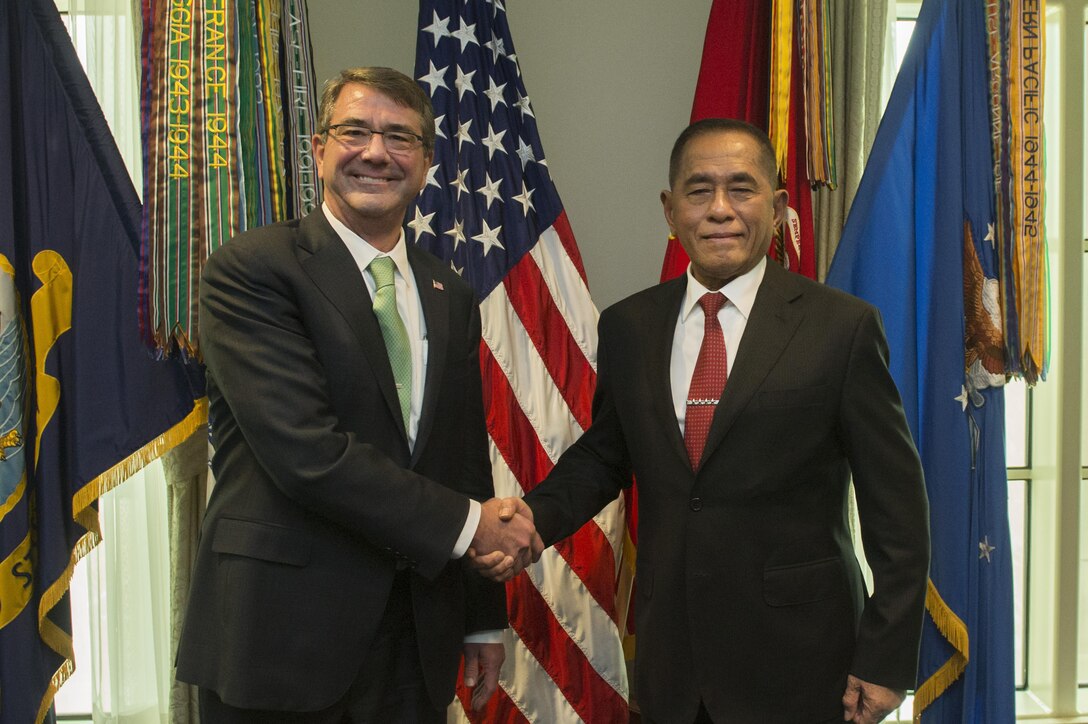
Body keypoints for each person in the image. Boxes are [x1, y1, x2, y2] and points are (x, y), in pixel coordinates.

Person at [477, 118, 930, 724]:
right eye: (699, 190)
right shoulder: (629, 326)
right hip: (673, 659)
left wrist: (886, 656)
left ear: (777, 205)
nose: (720, 209)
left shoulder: (841, 329)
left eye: (742, 189)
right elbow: (608, 455)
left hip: (802, 658)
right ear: (670, 210)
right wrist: (533, 519)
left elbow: (896, 508)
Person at [175, 67, 539, 723]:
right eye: (355, 132)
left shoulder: (448, 294)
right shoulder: (254, 270)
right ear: (319, 151)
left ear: (426, 164)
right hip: (282, 639)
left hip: (414, 639)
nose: (376, 152)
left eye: (400, 138)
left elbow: (460, 459)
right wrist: (470, 525)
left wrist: (481, 618)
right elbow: (305, 453)